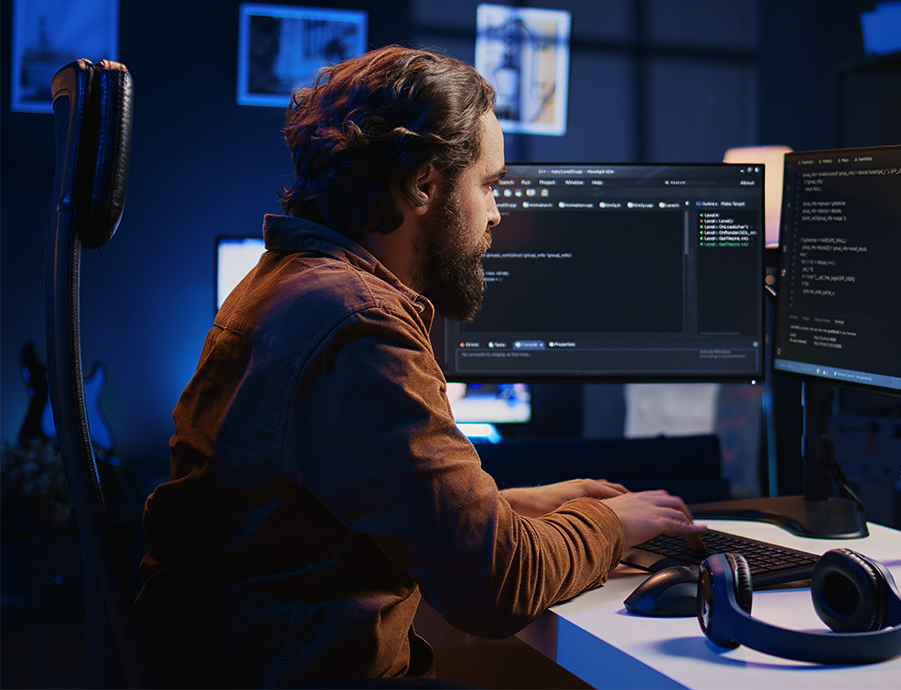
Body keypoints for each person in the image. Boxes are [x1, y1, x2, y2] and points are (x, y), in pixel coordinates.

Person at [134, 45, 707, 688]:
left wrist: (529, 508)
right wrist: (608, 525)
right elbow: (494, 584)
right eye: (488, 185)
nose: (496, 213)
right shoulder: (358, 326)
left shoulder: (289, 285)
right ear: (425, 184)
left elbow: (359, 518)